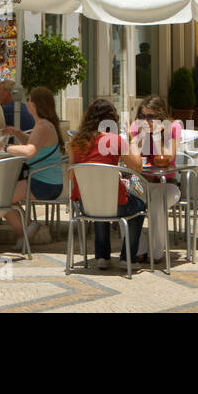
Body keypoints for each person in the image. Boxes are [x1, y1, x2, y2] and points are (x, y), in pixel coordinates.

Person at [68, 97, 146, 270]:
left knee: (97, 199)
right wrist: (134, 142)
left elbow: (72, 176)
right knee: (140, 207)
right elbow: (138, 167)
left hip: (85, 206)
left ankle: (102, 256)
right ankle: (128, 258)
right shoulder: (115, 140)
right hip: (115, 205)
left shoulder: (75, 142)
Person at [0, 85, 63, 246]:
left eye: (29, 100)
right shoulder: (46, 125)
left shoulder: (42, 126)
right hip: (48, 183)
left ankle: (26, 230)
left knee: (1, 199)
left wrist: (3, 147)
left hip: (42, 184)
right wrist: (18, 133)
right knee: (3, 197)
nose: (27, 104)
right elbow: (35, 144)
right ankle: (28, 228)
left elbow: (30, 151)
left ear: (34, 105)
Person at [126, 95, 181, 263]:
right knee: (123, 199)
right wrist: (134, 138)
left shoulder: (173, 127)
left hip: (167, 183)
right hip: (143, 182)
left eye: (151, 117)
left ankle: (156, 252)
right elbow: (134, 160)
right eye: (142, 116)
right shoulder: (137, 129)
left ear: (161, 116)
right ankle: (139, 249)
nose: (146, 120)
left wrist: (157, 136)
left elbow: (169, 157)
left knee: (157, 203)